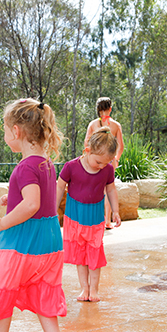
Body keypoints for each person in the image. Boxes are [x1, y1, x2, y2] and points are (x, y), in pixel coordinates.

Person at [0, 99, 67, 332]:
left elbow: (32, 203)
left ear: (17, 132)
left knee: (2, 287)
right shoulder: (45, 163)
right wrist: (11, 198)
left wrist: (1, 223)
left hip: (21, 242)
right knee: (42, 289)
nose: (4, 137)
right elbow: (39, 199)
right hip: (48, 243)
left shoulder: (24, 167)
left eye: (4, 131)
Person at [57, 127, 121, 302]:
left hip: (95, 217)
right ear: (87, 151)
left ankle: (94, 290)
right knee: (80, 255)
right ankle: (84, 289)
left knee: (94, 253)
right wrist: (53, 210)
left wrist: (115, 210)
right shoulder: (71, 167)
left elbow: (111, 189)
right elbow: (60, 186)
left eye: (105, 163)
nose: (101, 166)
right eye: (98, 162)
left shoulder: (107, 170)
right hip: (74, 216)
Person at [84, 97, 124, 229]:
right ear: (110, 109)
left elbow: (86, 143)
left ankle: (91, 219)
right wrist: (116, 159)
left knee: (92, 187)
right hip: (109, 161)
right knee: (108, 189)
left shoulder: (93, 124)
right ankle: (107, 221)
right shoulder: (116, 125)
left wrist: (89, 159)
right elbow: (120, 146)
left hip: (94, 160)